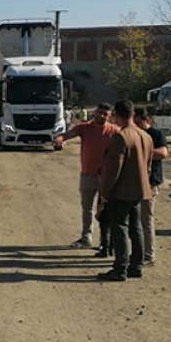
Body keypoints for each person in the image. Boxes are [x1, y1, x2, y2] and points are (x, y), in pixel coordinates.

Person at [97, 100, 154, 282]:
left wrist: (104, 193)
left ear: (116, 115)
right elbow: (148, 166)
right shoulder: (145, 136)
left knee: (119, 228)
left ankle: (120, 268)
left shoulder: (120, 137)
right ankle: (136, 266)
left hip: (121, 192)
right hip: (140, 190)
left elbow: (113, 169)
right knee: (136, 227)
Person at [55, 102, 120, 251]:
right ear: (95, 112)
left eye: (105, 114)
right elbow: (68, 134)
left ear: (110, 116)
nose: (101, 116)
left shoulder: (114, 131)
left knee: (105, 209)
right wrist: (60, 139)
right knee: (87, 208)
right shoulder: (84, 128)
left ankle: (106, 242)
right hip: (88, 175)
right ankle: (86, 238)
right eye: (99, 112)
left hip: (106, 178)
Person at [134, 107, 168, 265]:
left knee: (146, 220)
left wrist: (143, 152)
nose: (135, 122)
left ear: (145, 119)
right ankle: (137, 253)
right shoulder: (134, 133)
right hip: (134, 182)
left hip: (150, 183)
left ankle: (149, 255)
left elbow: (162, 153)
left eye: (137, 120)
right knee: (134, 221)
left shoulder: (156, 134)